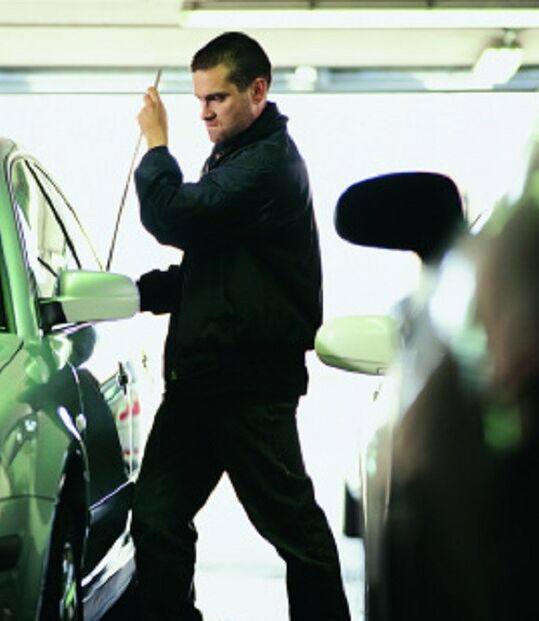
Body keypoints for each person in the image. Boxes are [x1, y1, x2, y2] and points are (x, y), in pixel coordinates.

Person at [130, 31, 351, 620]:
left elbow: (176, 216)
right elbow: (215, 268)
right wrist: (134, 294)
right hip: (201, 383)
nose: (203, 112)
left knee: (296, 535)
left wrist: (156, 145)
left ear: (258, 91)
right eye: (198, 99)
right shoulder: (233, 158)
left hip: (250, 389)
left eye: (217, 99)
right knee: (155, 520)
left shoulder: (269, 163)